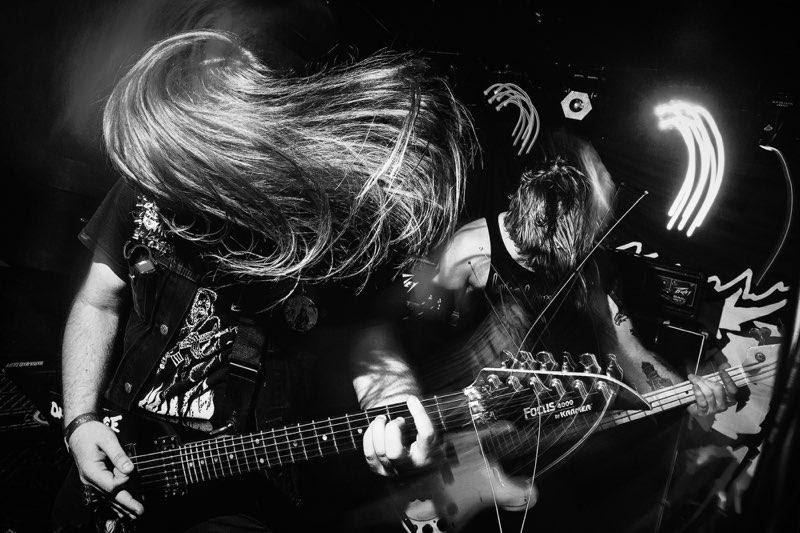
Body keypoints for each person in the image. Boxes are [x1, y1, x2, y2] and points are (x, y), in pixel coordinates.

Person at [59, 29, 474, 531]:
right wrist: (80, 423)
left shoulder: (323, 219)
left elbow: (364, 335)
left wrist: (395, 409)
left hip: (246, 485)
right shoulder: (145, 182)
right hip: (124, 441)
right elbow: (98, 302)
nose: (159, 193)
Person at [432, 132, 738, 422]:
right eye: (591, 226)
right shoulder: (470, 250)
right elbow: (434, 343)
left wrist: (686, 397)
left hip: (556, 416)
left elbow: (627, 352)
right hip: (482, 413)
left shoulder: (592, 263)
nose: (594, 240)